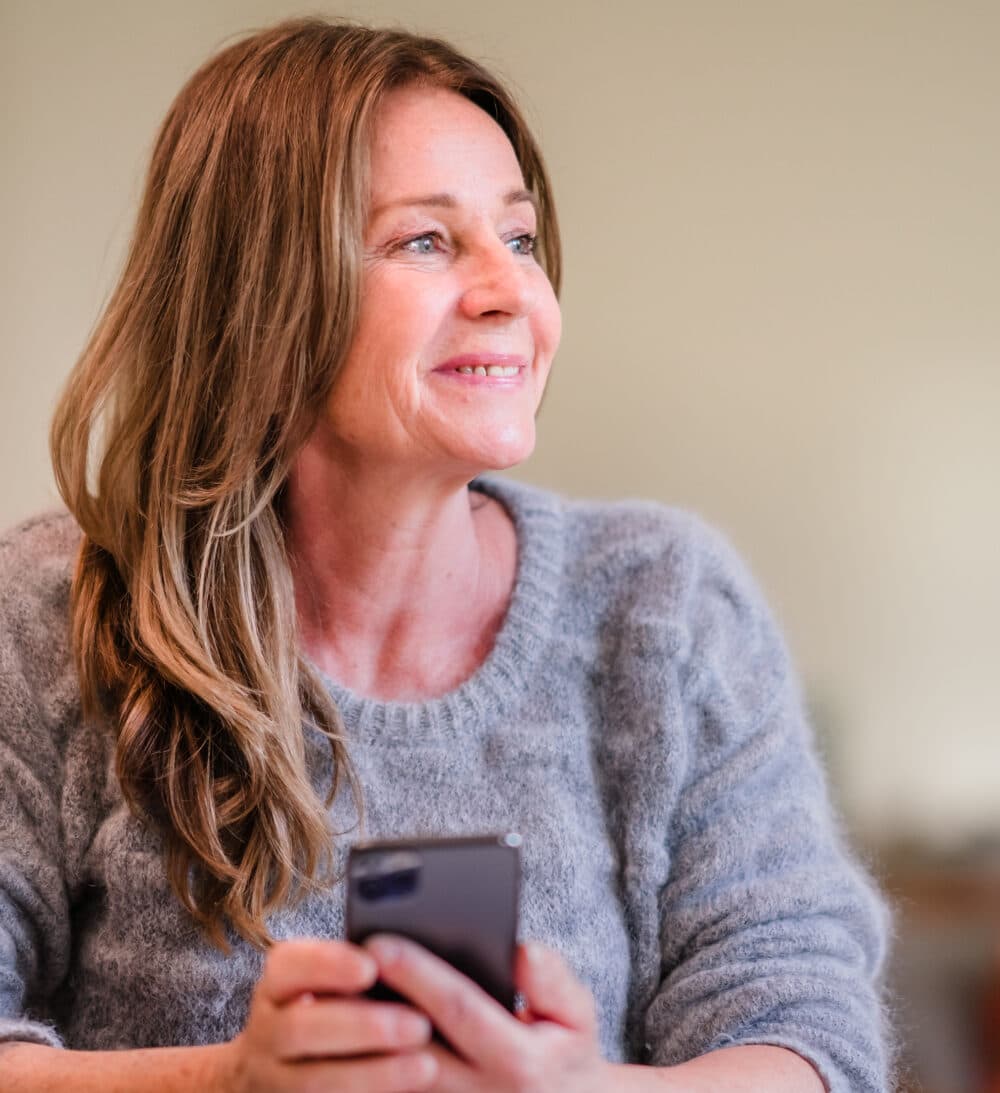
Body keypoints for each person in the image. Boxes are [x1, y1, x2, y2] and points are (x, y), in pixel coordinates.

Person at [0, 17, 892, 1093]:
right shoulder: (50, 610)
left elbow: (812, 1044)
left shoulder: (665, 608)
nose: (508, 290)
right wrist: (231, 1080)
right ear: (260, 294)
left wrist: (579, 1089)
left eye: (518, 237)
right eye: (426, 241)